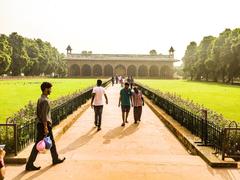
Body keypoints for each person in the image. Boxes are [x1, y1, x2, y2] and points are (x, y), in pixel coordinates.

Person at [26, 82, 65, 171]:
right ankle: (29, 164)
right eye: (50, 88)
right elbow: (44, 116)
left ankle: (55, 158)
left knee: (51, 142)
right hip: (44, 124)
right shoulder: (45, 101)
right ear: (45, 89)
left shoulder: (41, 98)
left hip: (42, 124)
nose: (51, 90)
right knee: (38, 144)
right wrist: (46, 127)